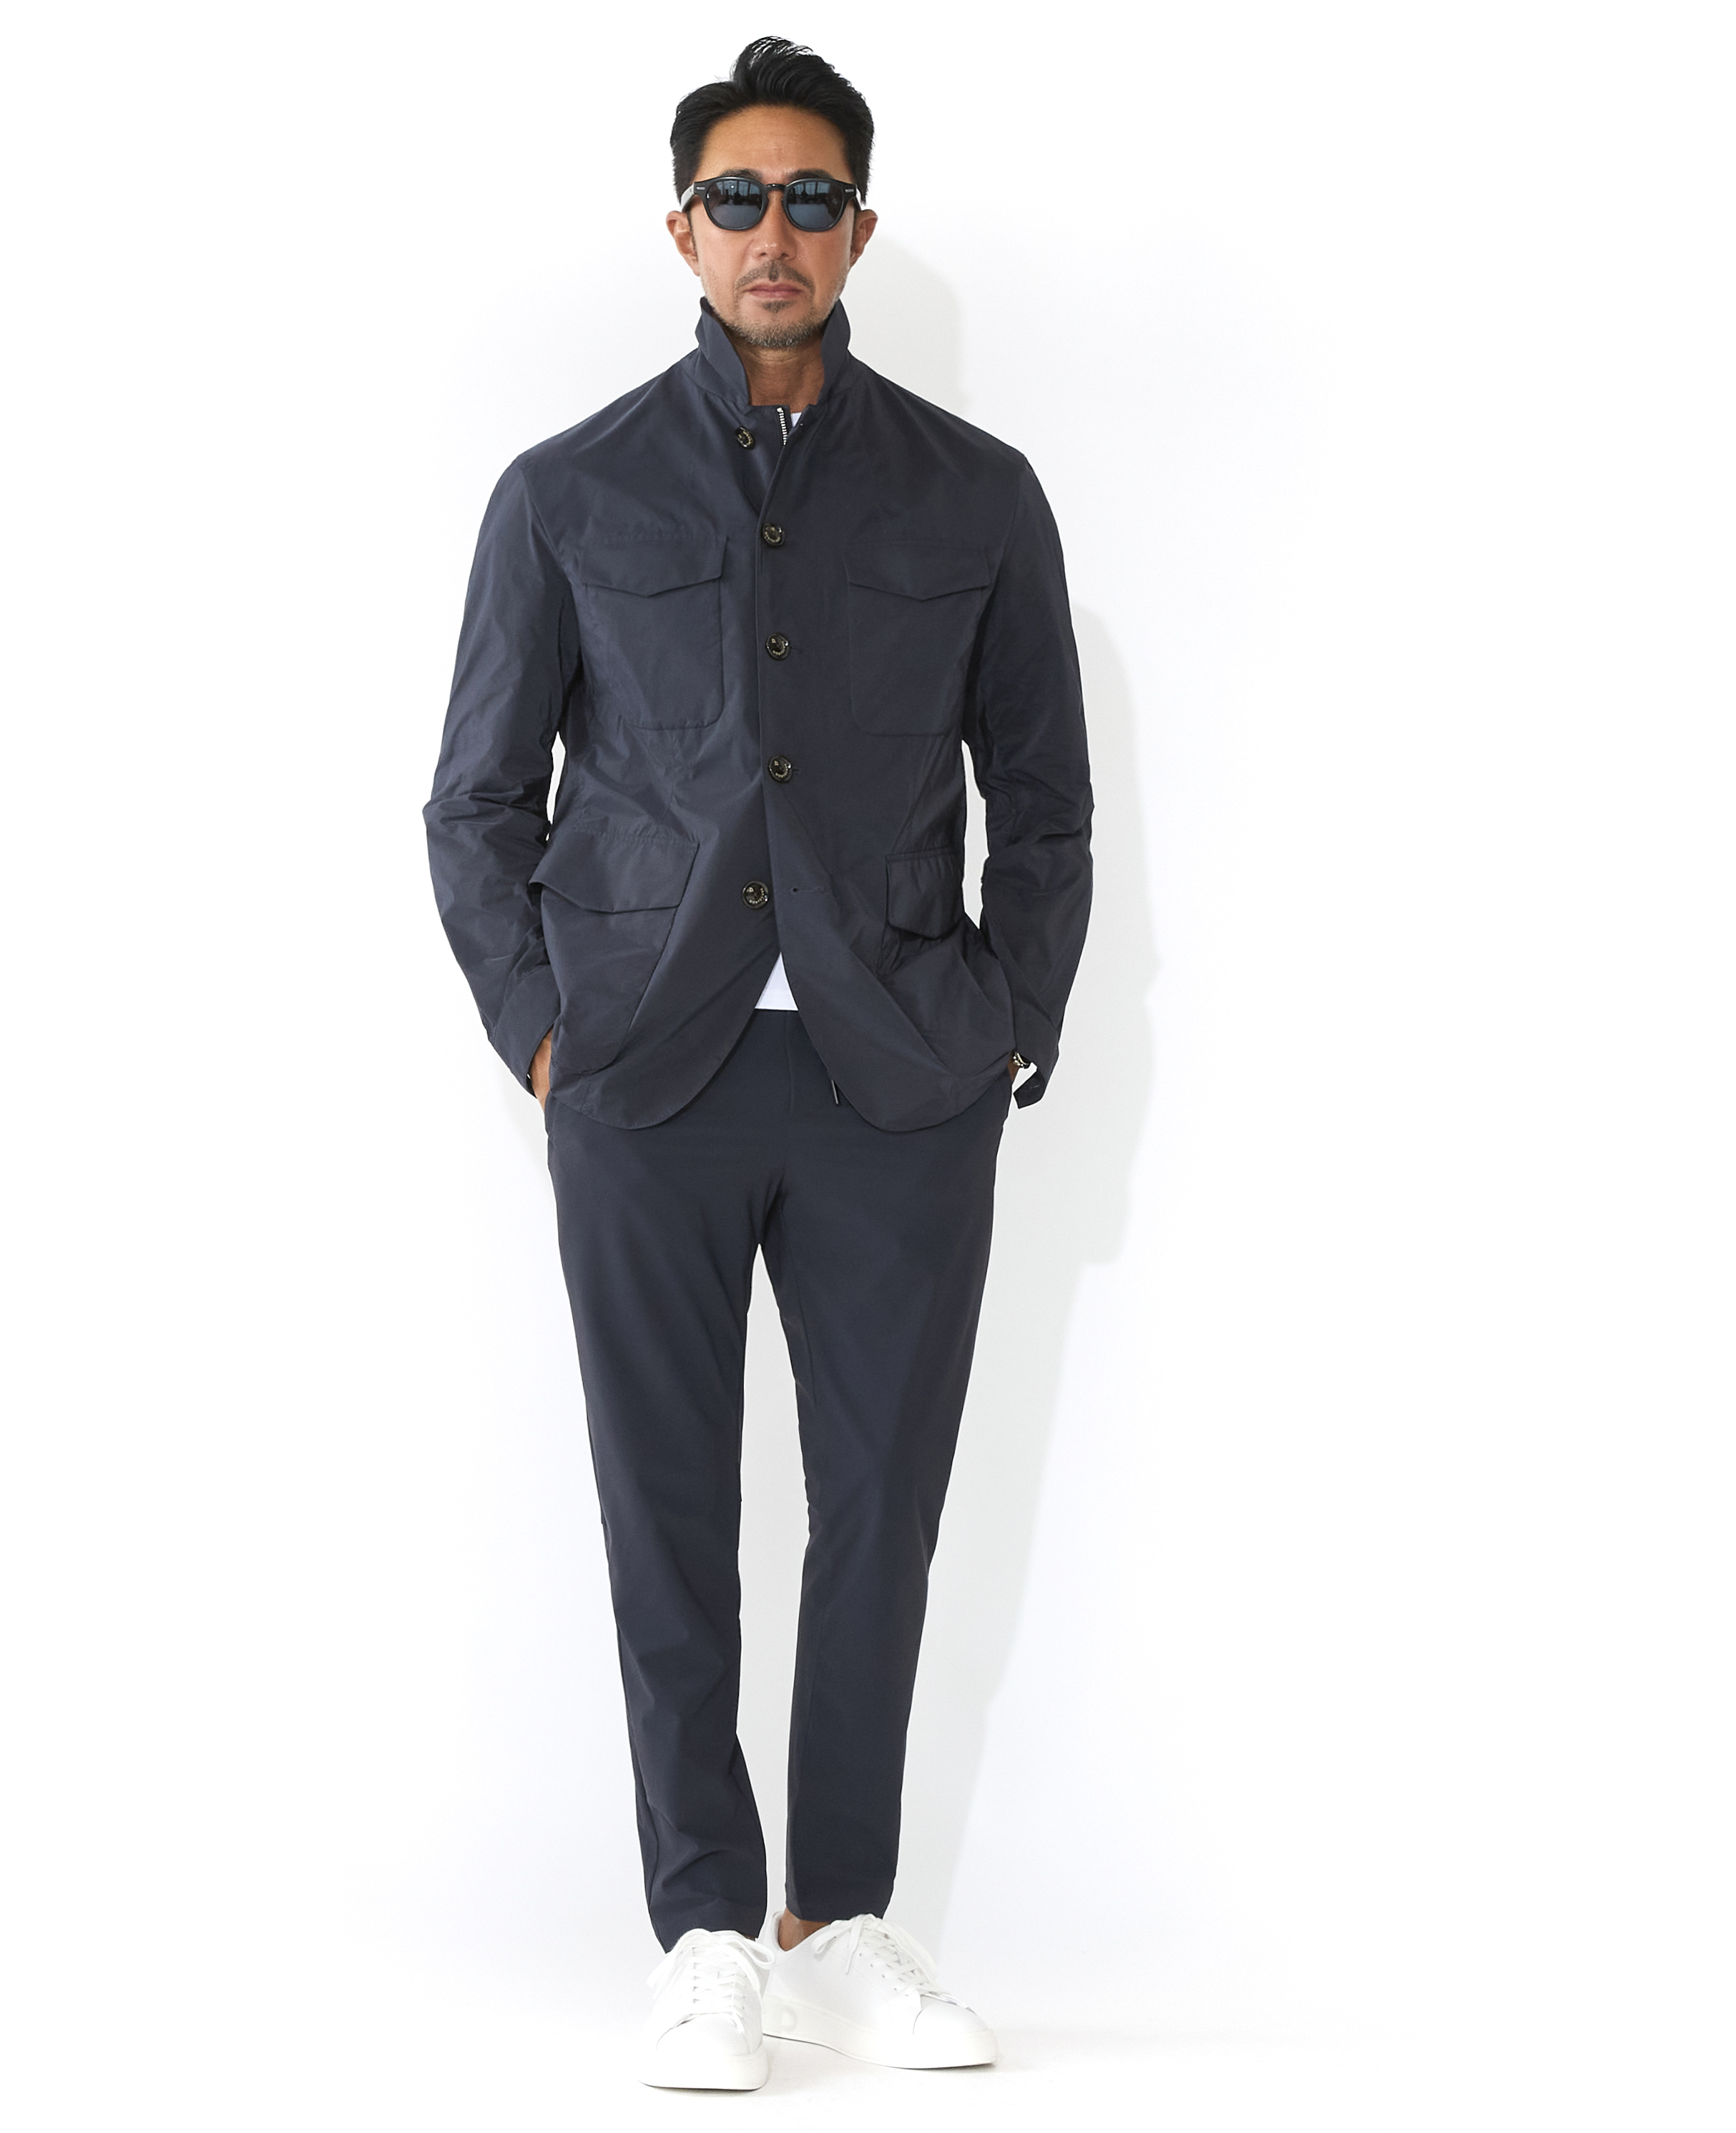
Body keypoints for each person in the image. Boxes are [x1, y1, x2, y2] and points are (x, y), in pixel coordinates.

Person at [423, 36, 1093, 2092]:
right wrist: (543, 1032)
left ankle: (844, 1921)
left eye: (812, 198)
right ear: (684, 228)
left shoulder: (977, 496)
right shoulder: (567, 494)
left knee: (882, 1513)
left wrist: (1008, 1023)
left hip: (901, 1078)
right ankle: (708, 1932)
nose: (774, 231)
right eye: (740, 198)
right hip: (647, 1076)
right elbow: (476, 805)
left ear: (861, 230)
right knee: (669, 1516)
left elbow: (1045, 803)